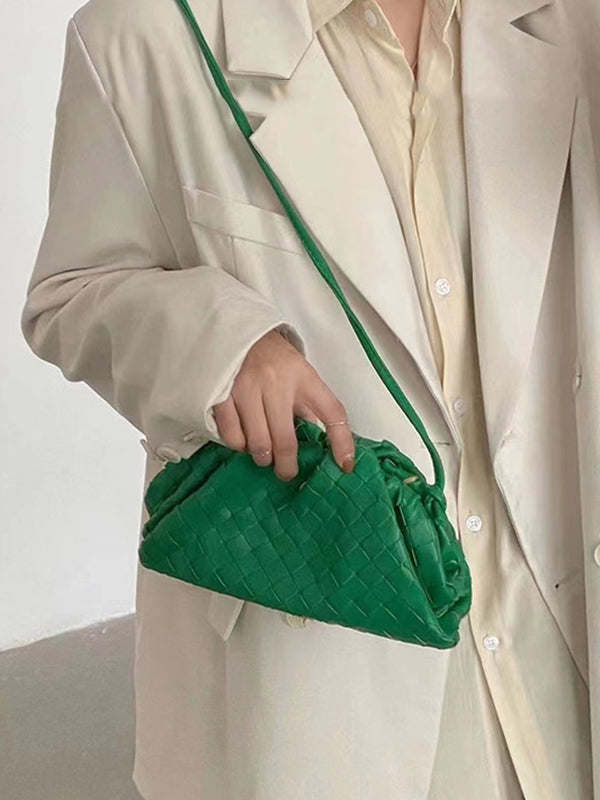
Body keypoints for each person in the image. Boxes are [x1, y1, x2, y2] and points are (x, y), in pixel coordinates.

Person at [20, 0, 600, 798]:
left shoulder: (573, 19)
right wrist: (221, 343)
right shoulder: (142, 35)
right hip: (327, 660)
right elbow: (72, 293)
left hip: (555, 634)